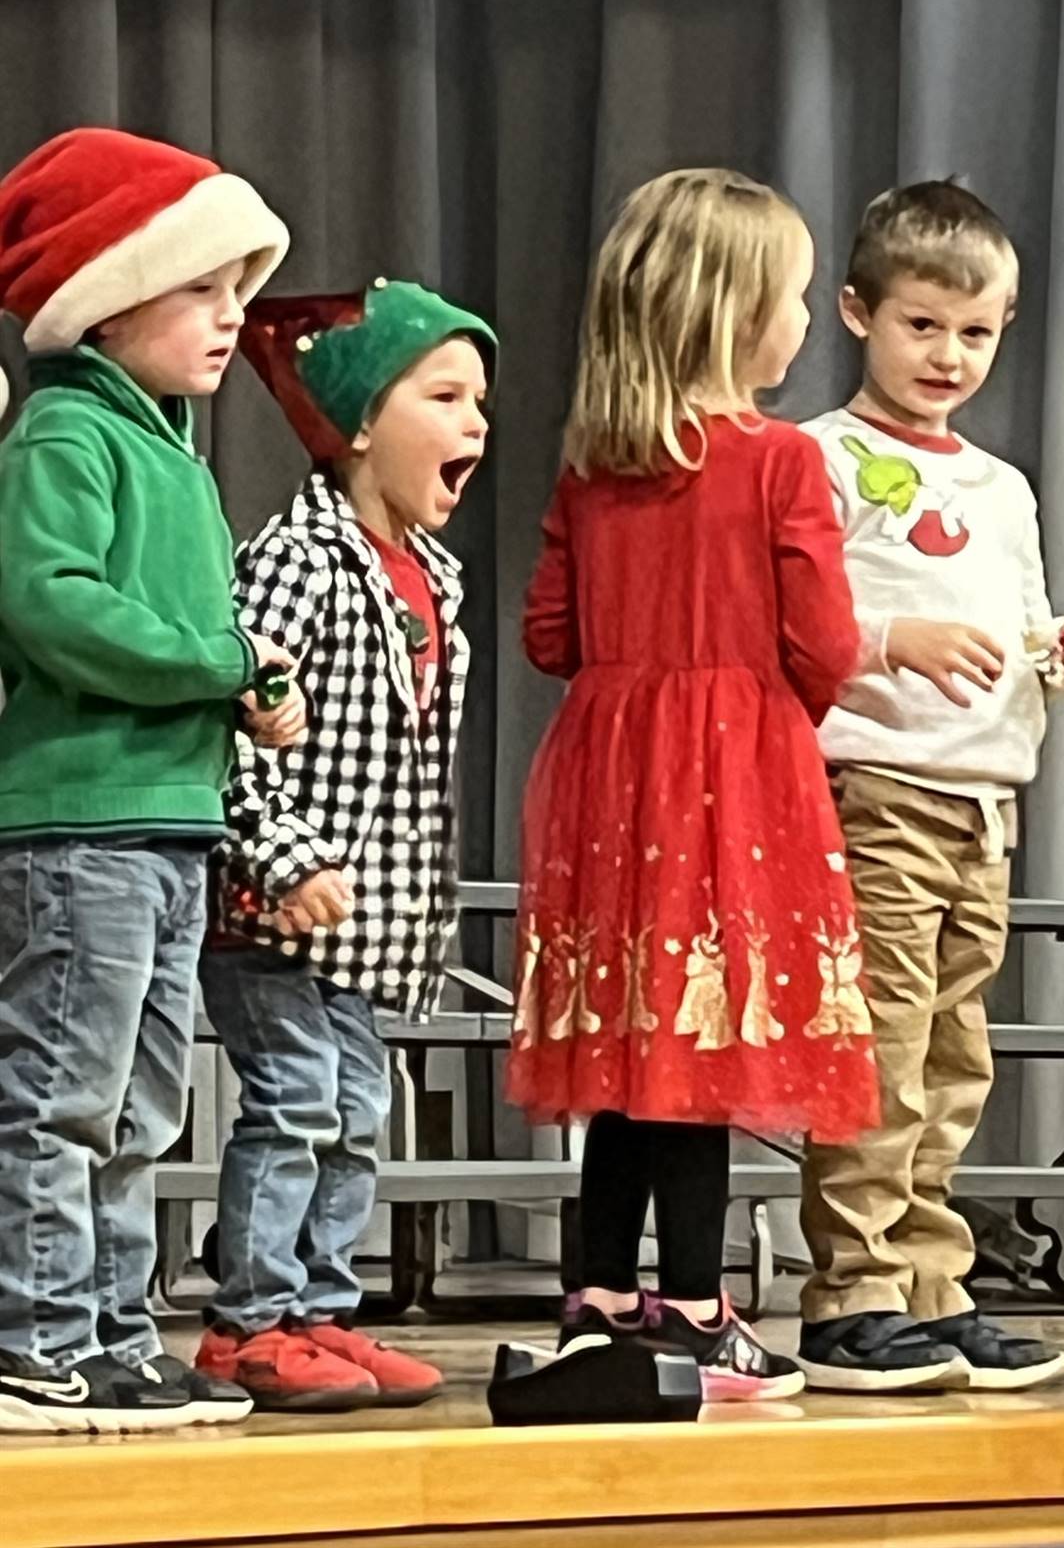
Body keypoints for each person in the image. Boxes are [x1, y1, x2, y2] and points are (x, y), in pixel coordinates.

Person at [507, 167, 879, 1404]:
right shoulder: (778, 462)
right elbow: (823, 645)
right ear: (734, 314)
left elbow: (550, 638)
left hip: (606, 782)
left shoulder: (590, 469)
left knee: (626, 1047)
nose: (807, 320)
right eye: (796, 296)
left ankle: (599, 1296)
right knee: (701, 1051)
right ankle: (699, 1313)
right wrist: (756, 719)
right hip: (736, 778)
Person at [0, 127, 302, 1434]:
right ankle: (33, 1334)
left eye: (239, 285)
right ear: (107, 293)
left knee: (140, 1104)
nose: (232, 313)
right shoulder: (67, 436)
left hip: (165, 826)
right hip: (78, 826)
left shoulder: (171, 448)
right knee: (63, 1091)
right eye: (201, 285)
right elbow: (51, 607)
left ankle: (116, 1331)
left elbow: (181, 631)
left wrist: (244, 686)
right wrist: (219, 658)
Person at [797, 181, 1064, 1393]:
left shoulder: (1003, 487)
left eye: (974, 332)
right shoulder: (821, 458)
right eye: (921, 325)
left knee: (952, 1055)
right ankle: (853, 1292)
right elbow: (812, 624)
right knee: (877, 1047)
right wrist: (895, 641)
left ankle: (932, 1281)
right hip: (876, 788)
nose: (948, 355)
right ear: (858, 313)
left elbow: (1022, 627)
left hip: (985, 801)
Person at [194, 279, 497, 1411]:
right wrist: (283, 857)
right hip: (273, 913)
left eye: (483, 402)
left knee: (358, 1106)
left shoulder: (432, 577)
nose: (477, 424)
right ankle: (250, 1322)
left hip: (364, 922)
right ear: (363, 422)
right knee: (299, 1099)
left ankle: (321, 1308)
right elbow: (236, 728)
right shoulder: (296, 560)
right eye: (448, 396)